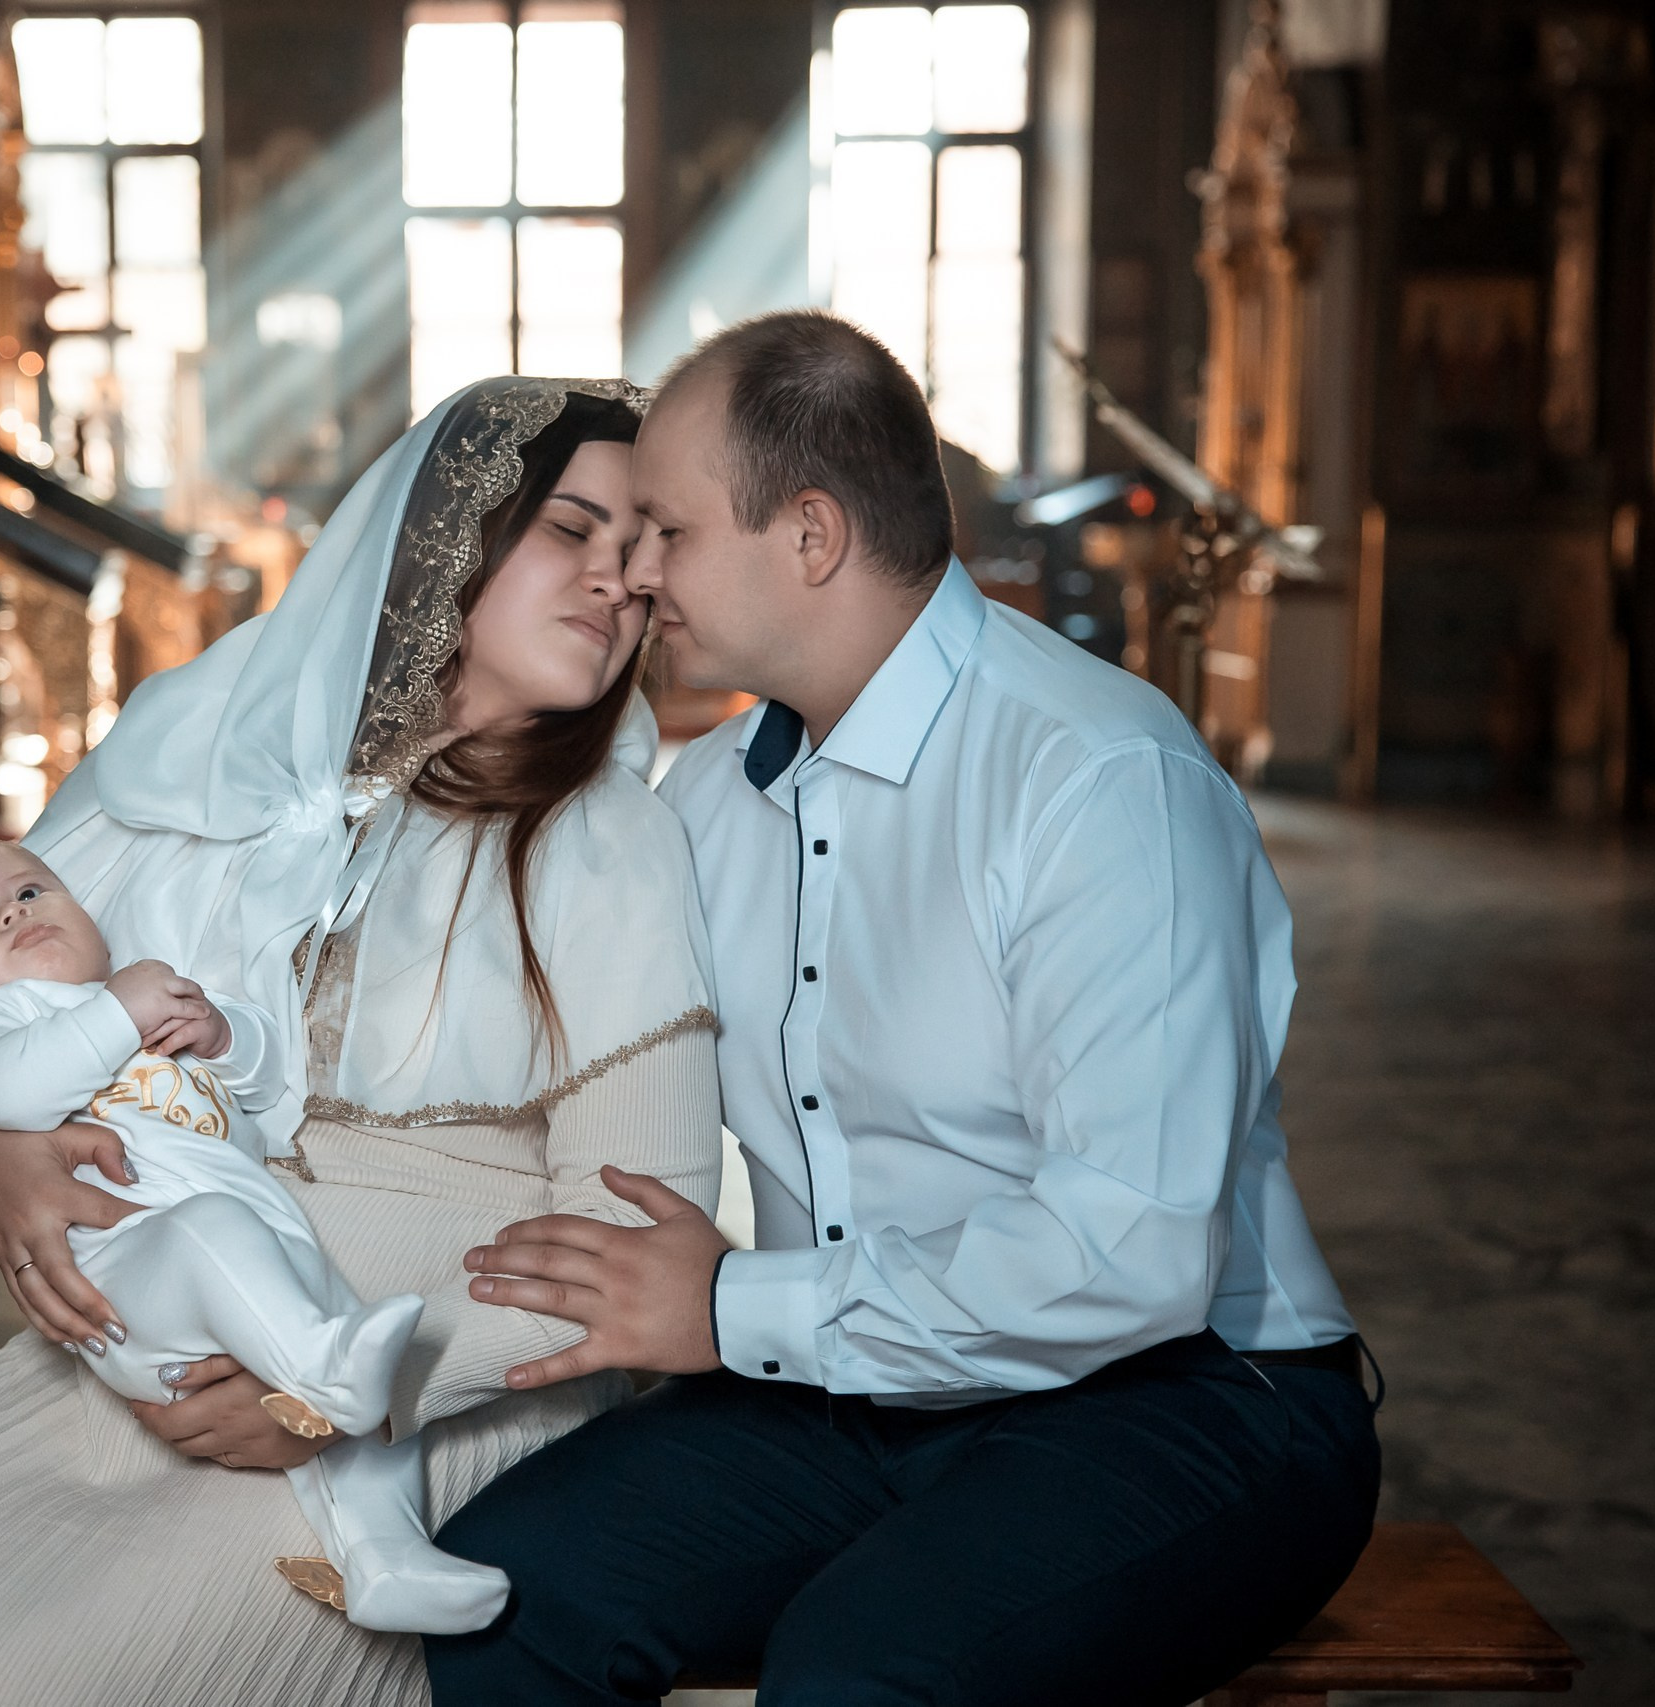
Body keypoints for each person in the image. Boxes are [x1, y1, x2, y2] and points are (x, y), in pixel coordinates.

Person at [426, 311, 1382, 1706]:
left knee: (862, 1669)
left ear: (810, 535)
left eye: (669, 531)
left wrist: (731, 1303)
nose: (635, 575)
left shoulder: (1098, 778)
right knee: (496, 1593)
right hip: (848, 1387)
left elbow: (1135, 1251)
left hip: (1190, 1396)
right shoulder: (703, 803)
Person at [0, 379, 722, 1706]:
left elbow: (638, 1235)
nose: (619, 581)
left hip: (430, 1372)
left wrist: (345, 1390)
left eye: (644, 551)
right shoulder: (205, 745)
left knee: (22, 1668)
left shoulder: (613, 843)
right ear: (445, 534)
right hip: (158, 1324)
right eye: (572, 528)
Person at [0, 833, 508, 1633]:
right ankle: (326, 1375)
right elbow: (9, 1091)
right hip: (129, 1274)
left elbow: (266, 1085)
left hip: (251, 1245)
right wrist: (118, 1011)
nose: (10, 913)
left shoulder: (141, 995)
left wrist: (221, 1035)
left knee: (353, 1370)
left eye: (29, 892)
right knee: (225, 1243)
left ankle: (389, 1556)